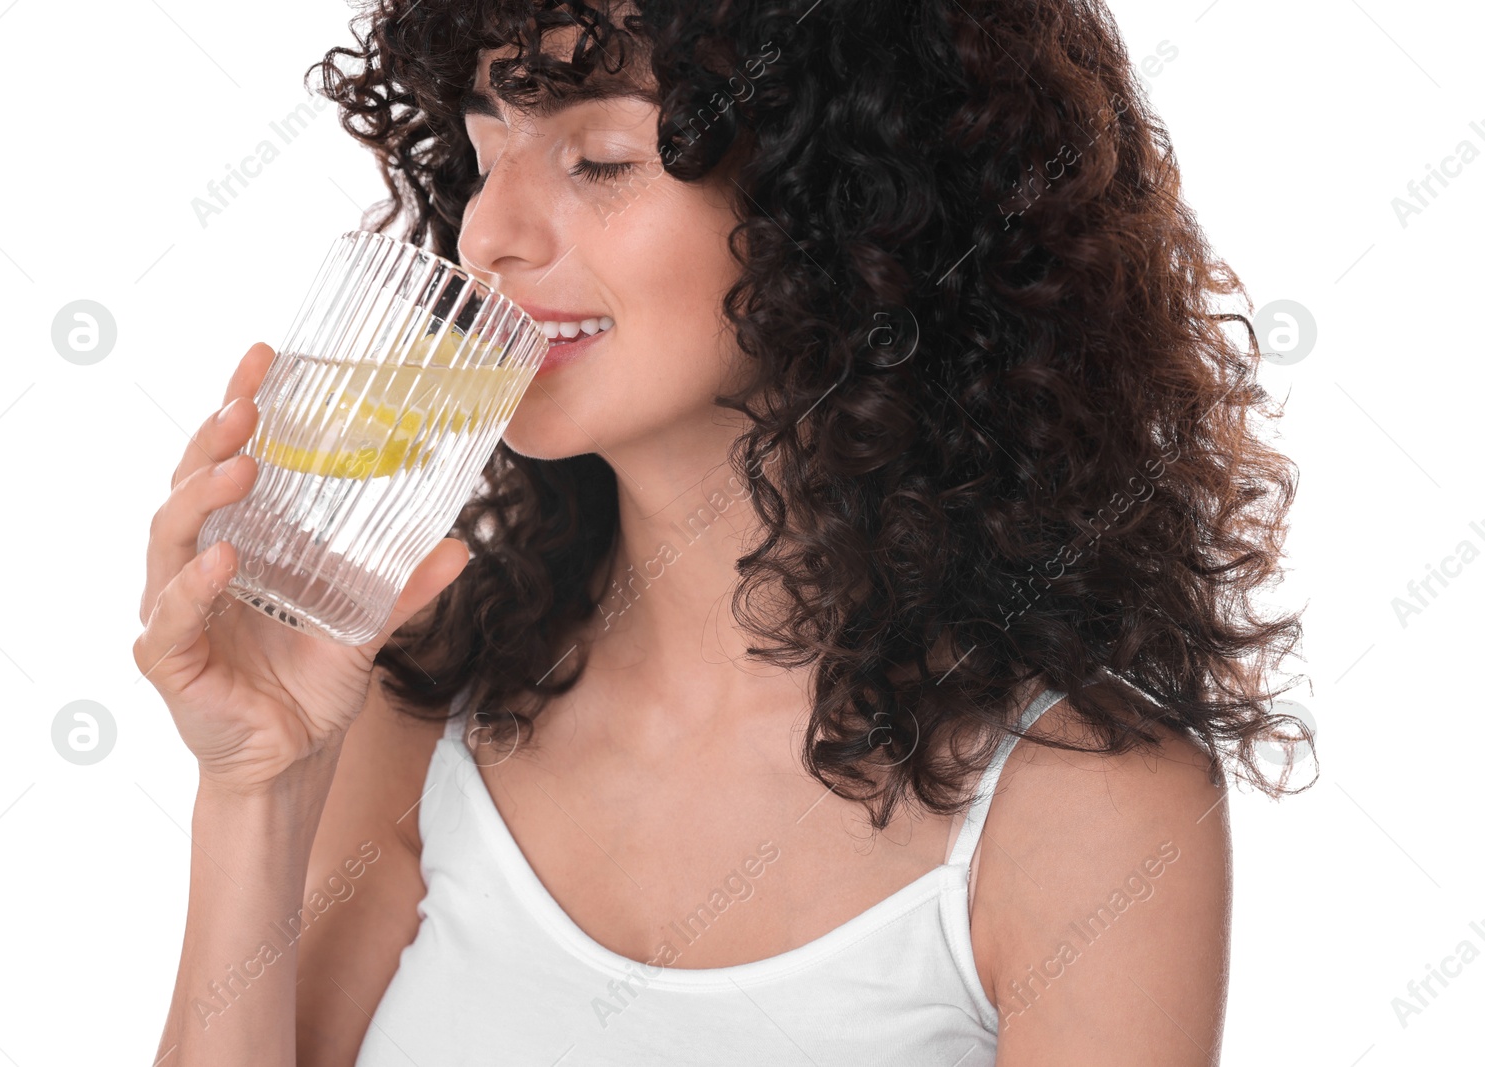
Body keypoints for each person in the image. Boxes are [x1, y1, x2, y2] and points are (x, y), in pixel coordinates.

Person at [137, 2, 1311, 1064]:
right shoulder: (425, 691)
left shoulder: (1082, 805)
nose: (487, 234)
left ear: (848, 207)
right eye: (483, 154)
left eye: (598, 160)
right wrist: (259, 784)